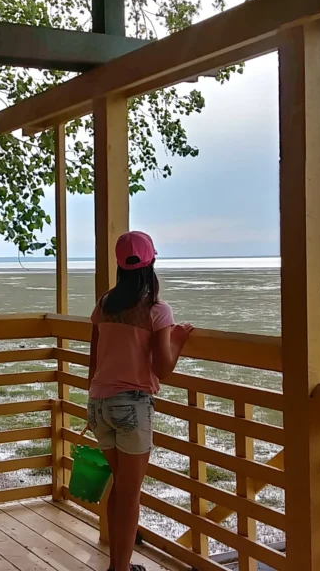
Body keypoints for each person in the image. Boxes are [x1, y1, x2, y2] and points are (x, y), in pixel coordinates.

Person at [87, 231, 193, 571]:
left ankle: (118, 566)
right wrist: (177, 340)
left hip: (98, 404)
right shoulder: (157, 311)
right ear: (151, 265)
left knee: (120, 488)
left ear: (119, 266)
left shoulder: (104, 305)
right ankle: (120, 570)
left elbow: (93, 361)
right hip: (132, 404)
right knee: (130, 494)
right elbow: (163, 369)